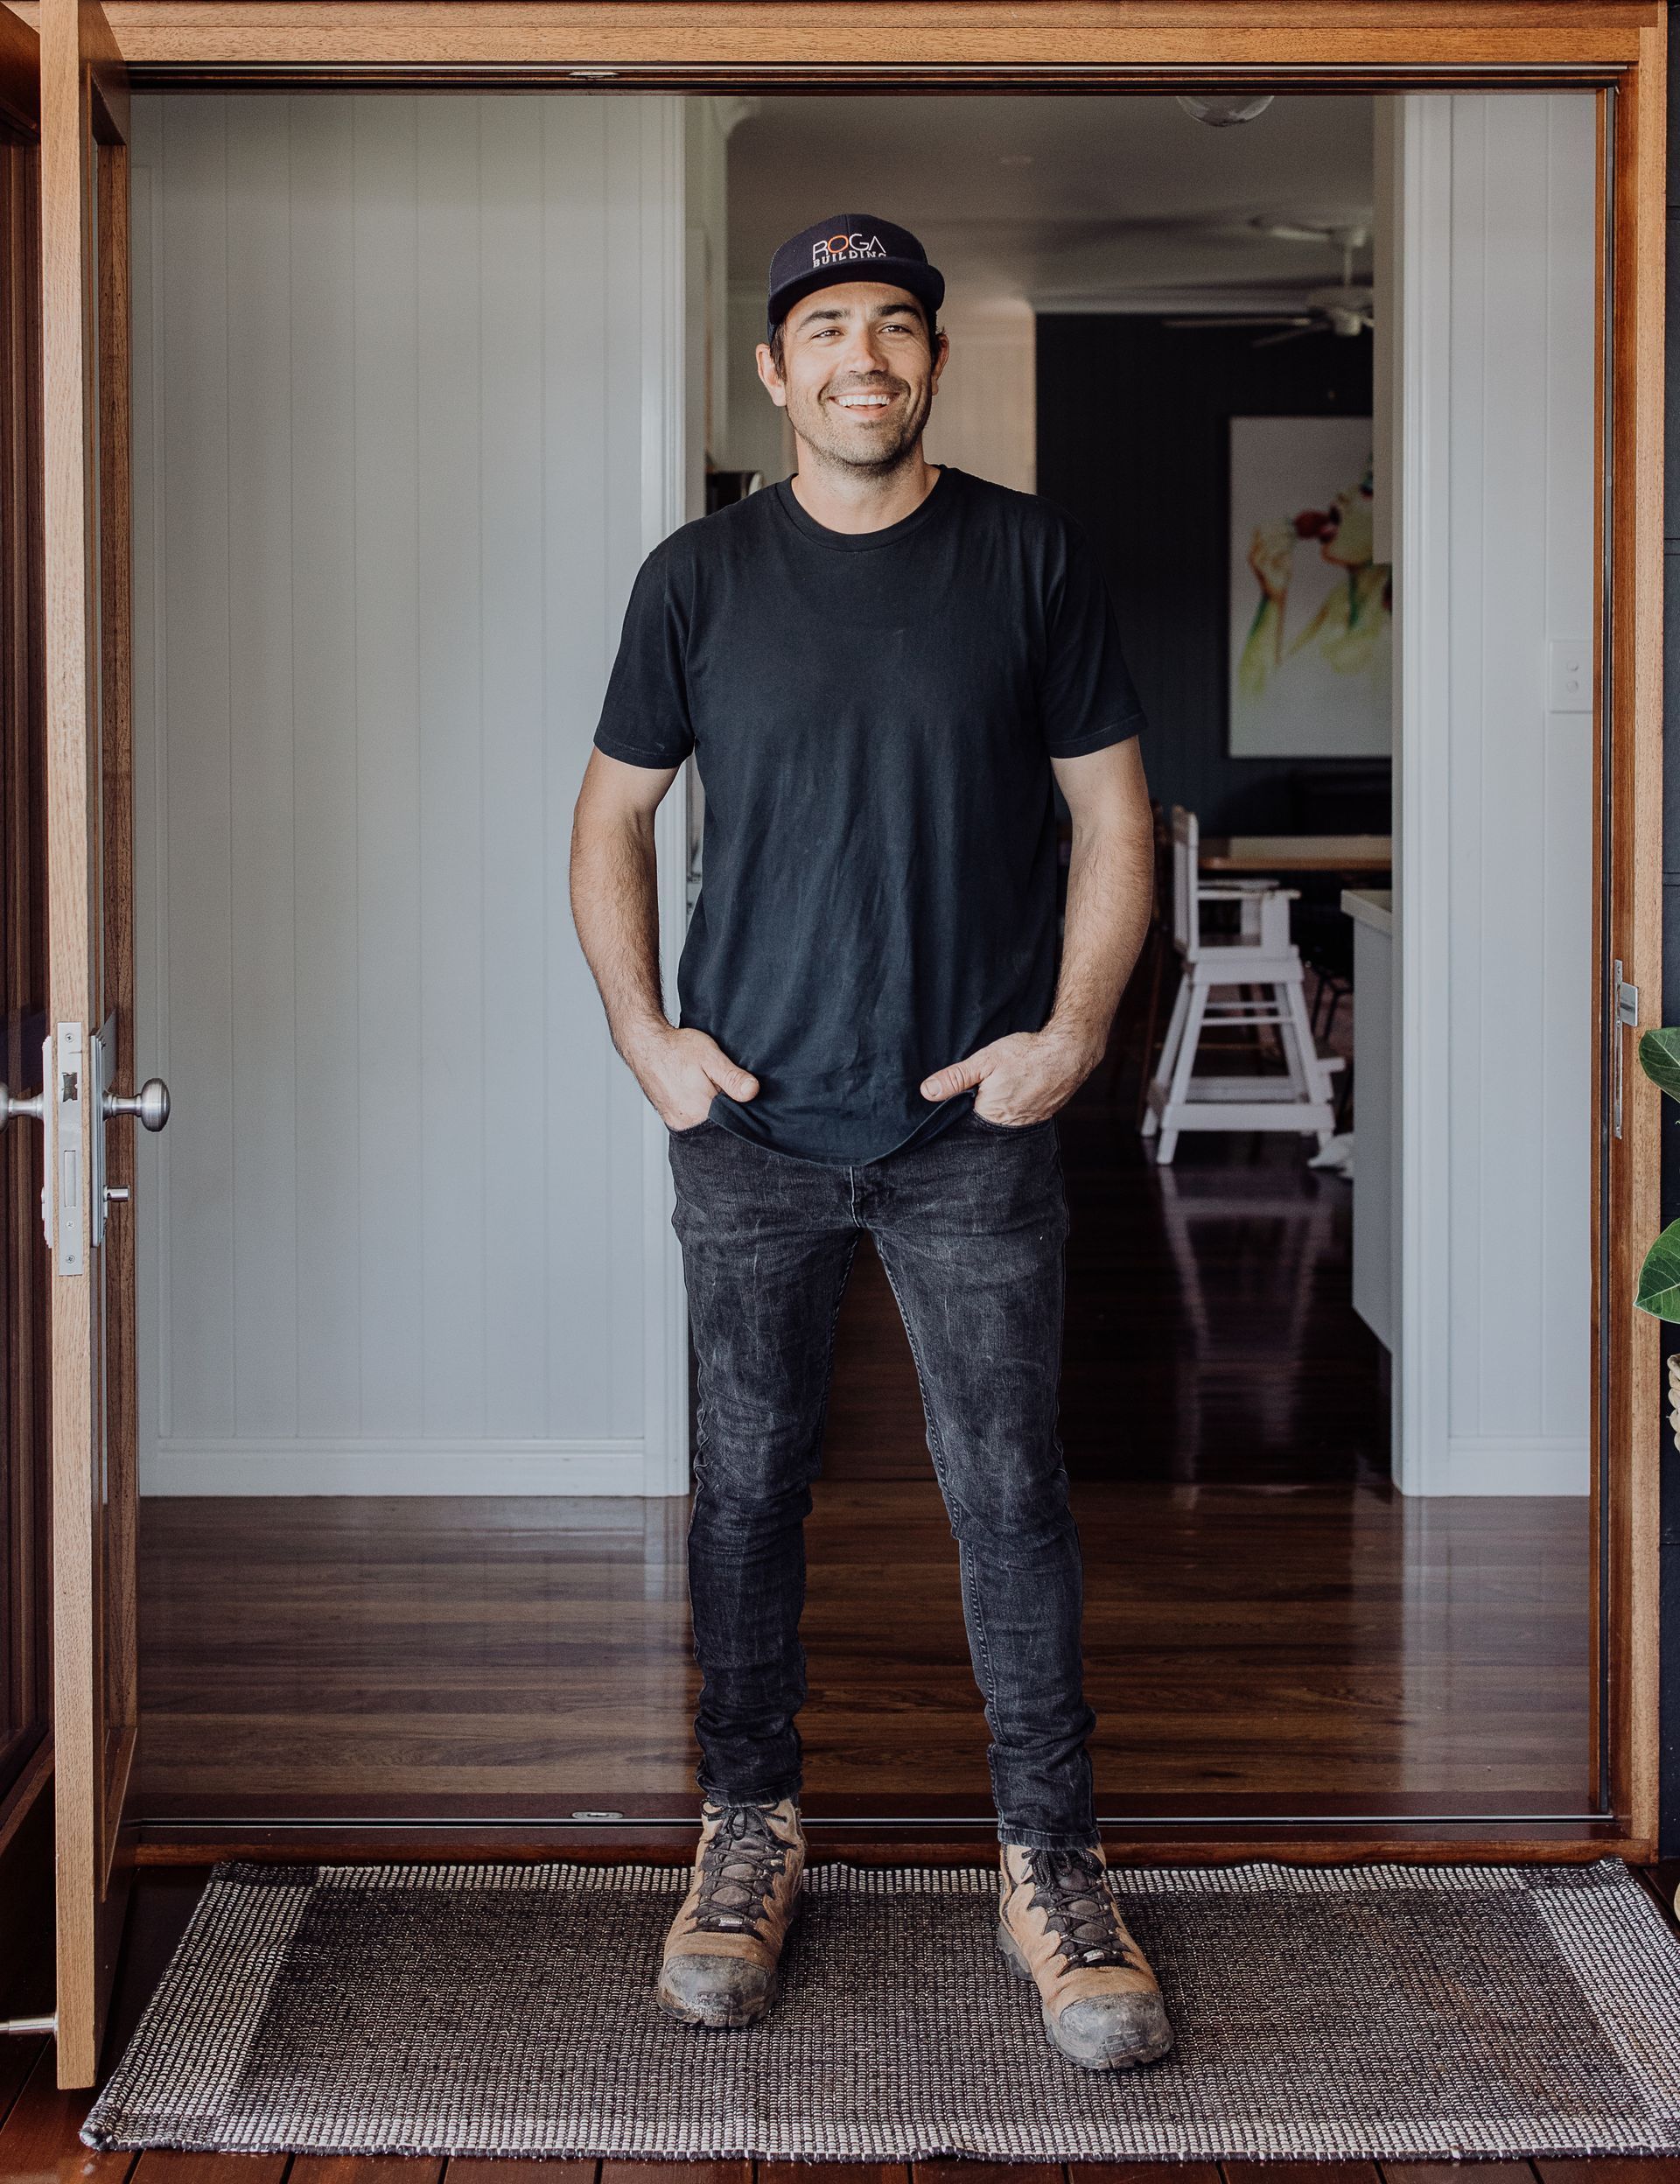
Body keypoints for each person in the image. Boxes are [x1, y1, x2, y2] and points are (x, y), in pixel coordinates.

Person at [569, 213, 1166, 2073]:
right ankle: (748, 1828)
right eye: (825, 327)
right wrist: (648, 1041)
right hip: (750, 1128)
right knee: (745, 1495)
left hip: (965, 1129)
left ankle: (1049, 1864)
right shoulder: (696, 578)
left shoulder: (1028, 558)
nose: (861, 359)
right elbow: (607, 825)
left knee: (1008, 1501)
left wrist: (1069, 1036)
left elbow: (1116, 821)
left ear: (929, 361)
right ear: (775, 368)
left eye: (893, 326)